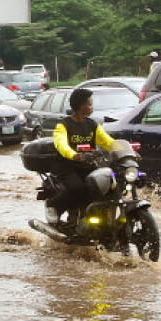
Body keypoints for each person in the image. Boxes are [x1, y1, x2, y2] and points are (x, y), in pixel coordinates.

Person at [46, 88, 115, 224]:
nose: (91, 107)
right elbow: (61, 145)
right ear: (80, 106)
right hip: (67, 166)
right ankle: (53, 205)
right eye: (89, 104)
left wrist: (127, 150)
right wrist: (74, 155)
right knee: (78, 188)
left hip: (88, 164)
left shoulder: (92, 124)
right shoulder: (63, 125)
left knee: (107, 184)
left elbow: (108, 142)